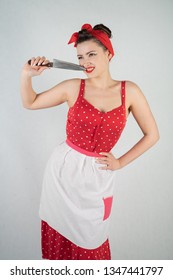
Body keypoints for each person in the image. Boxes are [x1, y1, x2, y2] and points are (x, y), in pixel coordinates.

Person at [20, 23, 159, 260]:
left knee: (92, 239)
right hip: (63, 173)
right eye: (80, 57)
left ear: (109, 53)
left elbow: (152, 135)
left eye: (92, 54)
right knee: (60, 237)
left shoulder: (130, 91)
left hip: (97, 177)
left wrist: (120, 163)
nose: (85, 62)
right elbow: (30, 102)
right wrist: (27, 75)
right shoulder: (73, 87)